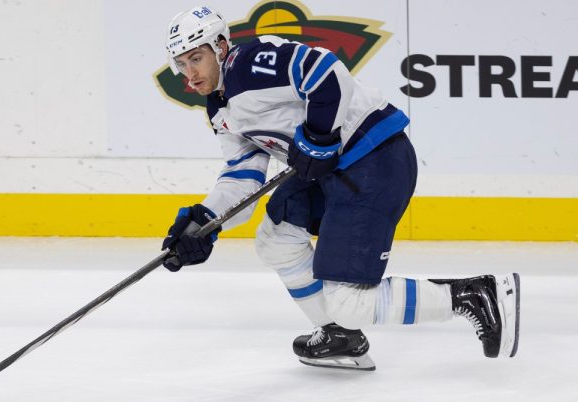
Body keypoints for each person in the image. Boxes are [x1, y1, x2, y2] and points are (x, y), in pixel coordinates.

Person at [160, 6, 520, 370]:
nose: (190, 74)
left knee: (350, 302)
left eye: (197, 58)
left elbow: (327, 74)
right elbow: (242, 173)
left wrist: (319, 137)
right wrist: (204, 222)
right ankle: (340, 336)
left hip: (372, 159)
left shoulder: (250, 66)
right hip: (332, 171)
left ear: (220, 46)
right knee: (276, 240)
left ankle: (473, 295)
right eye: (181, 63)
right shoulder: (219, 106)